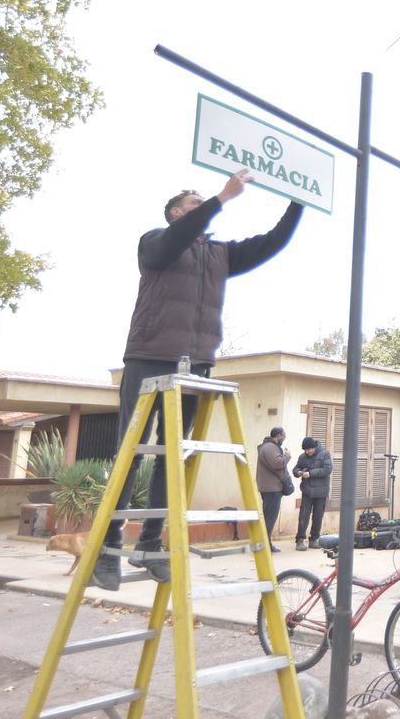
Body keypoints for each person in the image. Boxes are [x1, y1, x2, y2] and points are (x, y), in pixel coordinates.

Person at [91, 169, 302, 591]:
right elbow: (178, 237)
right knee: (131, 452)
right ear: (174, 213)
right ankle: (107, 550)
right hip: (149, 356)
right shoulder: (155, 242)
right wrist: (223, 197)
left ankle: (150, 545)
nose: (201, 210)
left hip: (195, 366)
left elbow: (271, 242)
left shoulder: (218, 255)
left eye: (202, 205)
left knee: (175, 456)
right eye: (193, 205)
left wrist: (298, 202)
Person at [293, 437, 332, 550]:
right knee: (303, 516)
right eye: (305, 450)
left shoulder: (325, 454)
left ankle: (314, 539)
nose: (307, 452)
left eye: (309, 449)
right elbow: (295, 469)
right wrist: (299, 472)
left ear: (314, 447)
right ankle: (300, 540)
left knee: (318, 516)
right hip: (307, 491)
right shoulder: (302, 457)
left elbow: (327, 470)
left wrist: (310, 473)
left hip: (321, 492)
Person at [256, 427, 291, 552]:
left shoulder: (268, 447)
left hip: (269, 487)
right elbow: (277, 463)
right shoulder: (270, 447)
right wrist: (287, 456)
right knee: (269, 518)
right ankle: (265, 546)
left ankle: (265, 544)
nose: (284, 439)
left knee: (268, 517)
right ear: (278, 436)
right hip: (272, 488)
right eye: (284, 436)